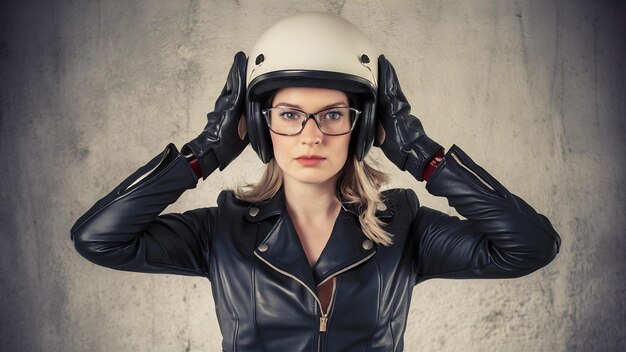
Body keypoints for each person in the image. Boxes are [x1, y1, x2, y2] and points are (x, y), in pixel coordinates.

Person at [71, 13, 561, 352]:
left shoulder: (402, 225)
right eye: (289, 115)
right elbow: (98, 239)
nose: (311, 135)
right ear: (260, 126)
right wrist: (201, 155)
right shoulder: (223, 229)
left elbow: (530, 246)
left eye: (332, 114)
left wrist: (424, 157)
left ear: (364, 127)